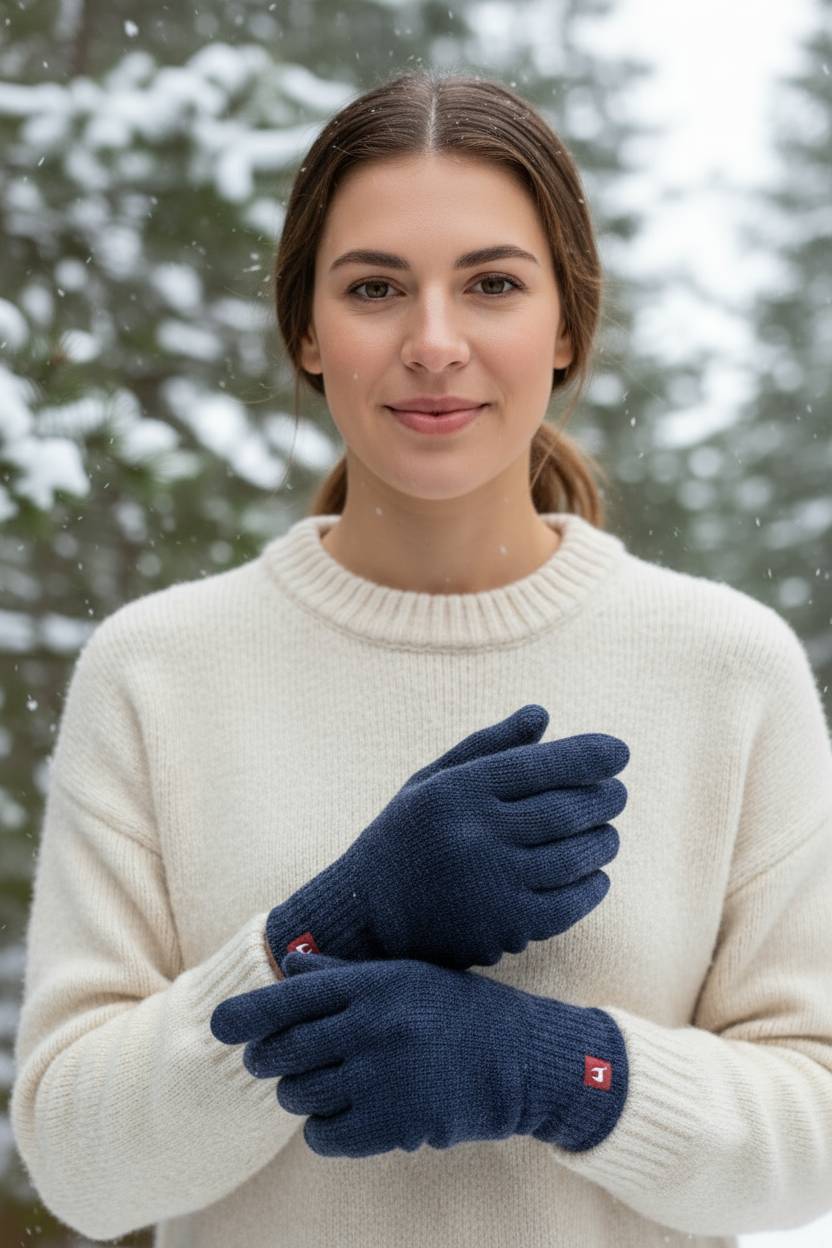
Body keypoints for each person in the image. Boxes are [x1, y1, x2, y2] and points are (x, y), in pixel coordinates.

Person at [10, 71, 832, 1248]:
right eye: (375, 288)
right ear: (308, 327)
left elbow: (812, 1137)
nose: (433, 343)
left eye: (492, 284)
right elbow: (81, 1168)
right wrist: (331, 927)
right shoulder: (158, 672)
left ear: (563, 325)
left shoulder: (727, 667)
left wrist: (557, 1069)